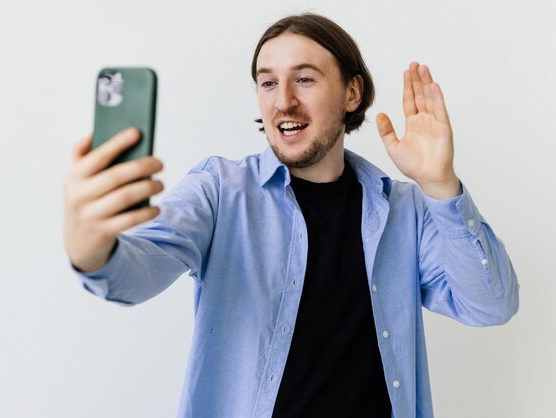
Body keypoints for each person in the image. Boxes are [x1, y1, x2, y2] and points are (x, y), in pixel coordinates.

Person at [63, 13, 519, 418]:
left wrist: (441, 186)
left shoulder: (406, 210)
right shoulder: (220, 192)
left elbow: (490, 305)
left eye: (304, 79)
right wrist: (90, 243)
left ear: (352, 93)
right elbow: (132, 274)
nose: (282, 101)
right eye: (267, 82)